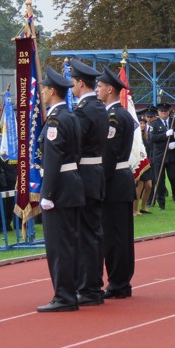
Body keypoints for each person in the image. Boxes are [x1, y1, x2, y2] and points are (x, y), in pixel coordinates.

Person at [37, 66, 85, 313]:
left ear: (52, 91)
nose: (42, 93)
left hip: (60, 189)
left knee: (59, 246)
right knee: (70, 243)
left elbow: (53, 161)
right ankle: (70, 290)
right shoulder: (71, 116)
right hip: (72, 185)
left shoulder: (56, 120)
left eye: (44, 89)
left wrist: (47, 194)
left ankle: (64, 295)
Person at [69, 59, 108, 307]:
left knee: (86, 235)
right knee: (92, 232)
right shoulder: (99, 107)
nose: (71, 88)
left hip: (85, 174)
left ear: (81, 83)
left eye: (73, 84)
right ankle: (93, 284)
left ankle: (90, 286)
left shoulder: (84, 111)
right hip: (96, 173)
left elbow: (75, 143)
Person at [96, 66, 136, 300]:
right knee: (119, 235)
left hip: (114, 182)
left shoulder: (113, 117)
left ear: (110, 89)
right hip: (121, 181)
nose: (97, 90)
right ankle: (121, 281)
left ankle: (119, 283)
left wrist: (99, 183)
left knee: (115, 237)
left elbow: (109, 155)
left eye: (100, 87)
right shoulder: (121, 114)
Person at [148, 101, 175, 209]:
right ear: (158, 112)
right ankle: (161, 204)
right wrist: (165, 135)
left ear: (169, 112)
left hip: (173, 156)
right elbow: (153, 138)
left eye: (165, 111)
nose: (164, 113)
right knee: (160, 181)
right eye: (161, 111)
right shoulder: (154, 123)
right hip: (159, 156)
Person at [135, 106, 157, 213]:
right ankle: (135, 210)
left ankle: (143, 207)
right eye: (140, 123)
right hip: (139, 163)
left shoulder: (147, 135)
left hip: (147, 163)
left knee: (149, 185)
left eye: (144, 123)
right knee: (140, 186)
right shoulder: (135, 137)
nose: (142, 125)